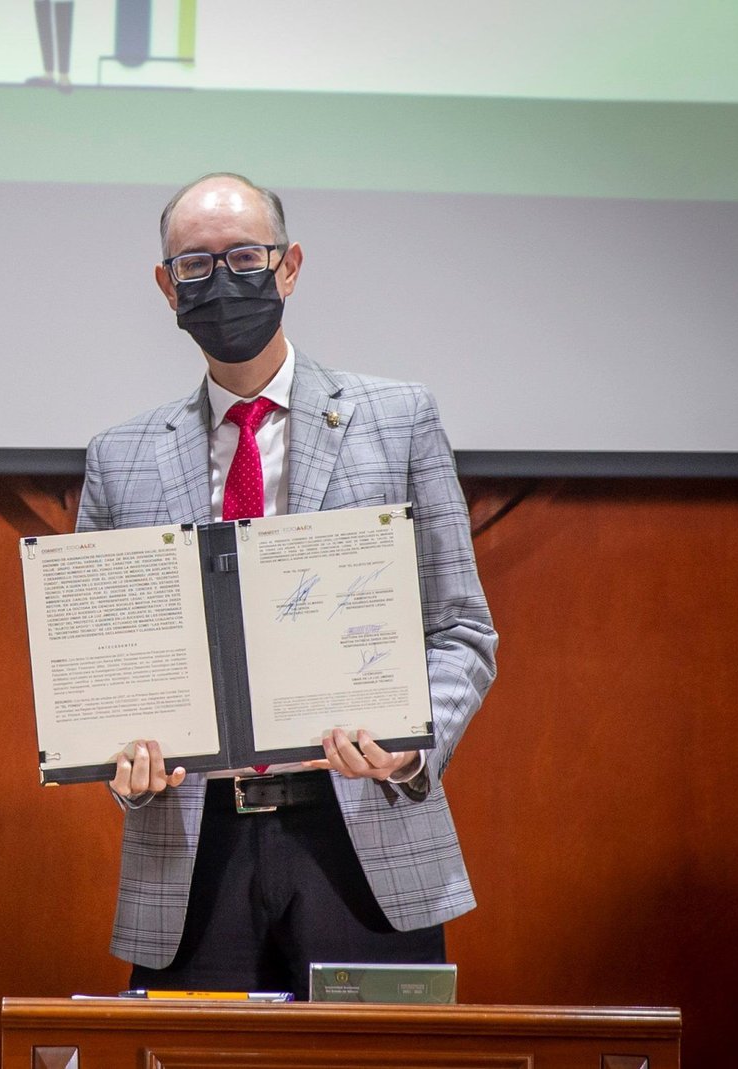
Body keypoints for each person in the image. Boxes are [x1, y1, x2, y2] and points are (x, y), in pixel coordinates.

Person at [77, 173, 497, 998]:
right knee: (187, 1057)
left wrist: (413, 745)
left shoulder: (399, 418)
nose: (221, 280)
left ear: (289, 266)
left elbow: (462, 631)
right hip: (193, 852)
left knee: (376, 1062)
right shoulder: (119, 456)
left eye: (244, 257)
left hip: (365, 832)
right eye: (195, 265)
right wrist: (114, 750)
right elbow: (102, 667)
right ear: (166, 286)